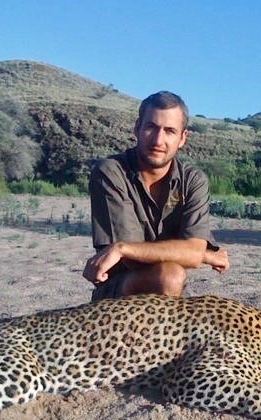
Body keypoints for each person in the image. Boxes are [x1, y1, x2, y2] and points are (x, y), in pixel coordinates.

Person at [83, 91, 229, 301]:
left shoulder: (193, 180)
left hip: (168, 292)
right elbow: (132, 262)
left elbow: (193, 251)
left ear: (182, 138)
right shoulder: (110, 172)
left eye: (170, 131)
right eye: (151, 127)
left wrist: (122, 248)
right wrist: (201, 255)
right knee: (170, 275)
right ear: (137, 128)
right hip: (118, 290)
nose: (158, 140)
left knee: (171, 277)